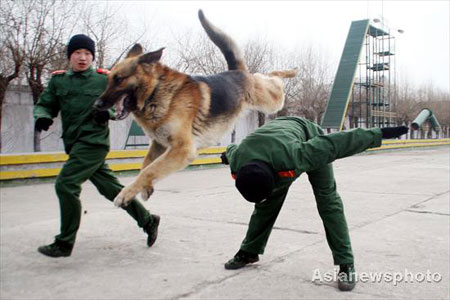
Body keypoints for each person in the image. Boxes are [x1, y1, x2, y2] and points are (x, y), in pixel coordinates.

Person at [220, 116, 408, 291]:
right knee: (265, 206)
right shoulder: (238, 160)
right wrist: (225, 156)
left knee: (328, 202)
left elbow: (336, 143)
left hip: (306, 134)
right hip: (273, 145)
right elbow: (231, 150)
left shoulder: (298, 155)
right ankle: (249, 252)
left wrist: (379, 134)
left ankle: (346, 264)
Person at [34, 34, 160, 258]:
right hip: (73, 144)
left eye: (87, 54)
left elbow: (117, 105)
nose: (83, 58)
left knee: (66, 184)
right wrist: (42, 116)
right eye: (77, 53)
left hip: (94, 143)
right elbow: (46, 104)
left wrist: (107, 113)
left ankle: (64, 242)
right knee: (111, 189)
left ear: (92, 56)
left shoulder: (104, 79)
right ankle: (148, 220)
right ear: (70, 56)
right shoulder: (58, 81)